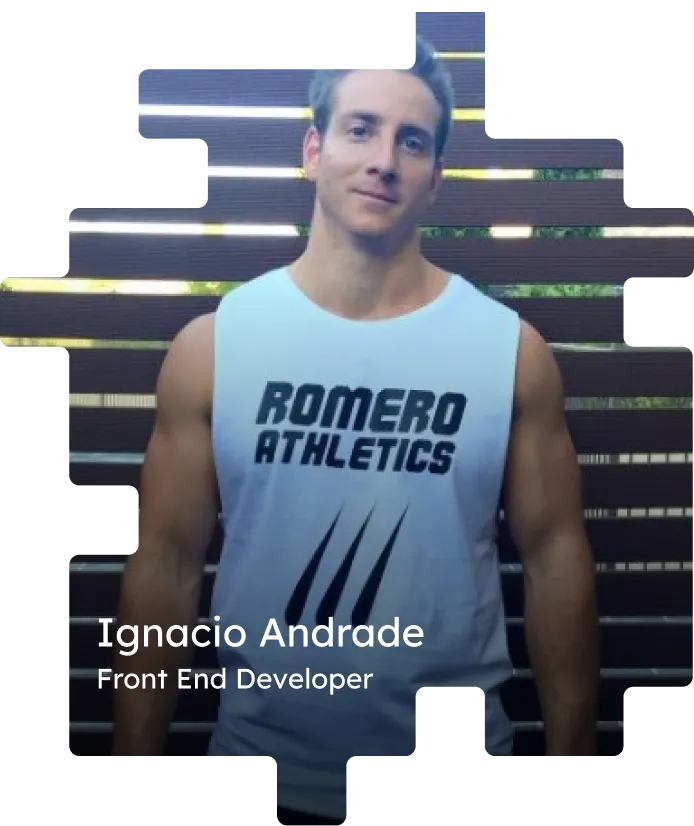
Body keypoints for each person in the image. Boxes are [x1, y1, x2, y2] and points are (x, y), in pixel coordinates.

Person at [112, 38, 600, 822]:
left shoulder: (509, 352)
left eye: (412, 141)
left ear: (435, 179)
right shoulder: (215, 346)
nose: (383, 161)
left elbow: (555, 564)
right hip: (263, 766)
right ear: (314, 150)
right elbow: (165, 567)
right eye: (361, 129)